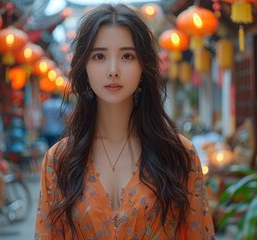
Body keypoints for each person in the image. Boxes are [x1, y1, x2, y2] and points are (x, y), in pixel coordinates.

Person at [35, 4, 215, 239]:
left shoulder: (178, 154)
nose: (113, 70)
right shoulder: (59, 161)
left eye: (127, 56)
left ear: (143, 66)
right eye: (99, 56)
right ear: (84, 67)